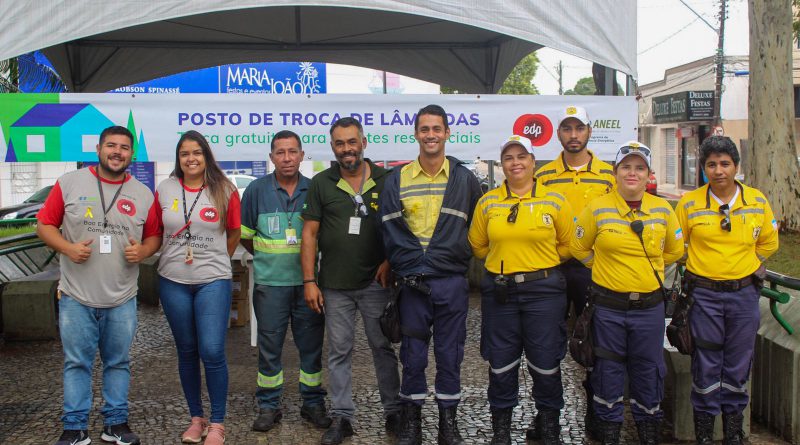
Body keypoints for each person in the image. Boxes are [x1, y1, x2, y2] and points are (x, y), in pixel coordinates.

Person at [37, 126, 162, 445]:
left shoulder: (144, 193)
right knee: (76, 362)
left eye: (124, 147)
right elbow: (44, 225)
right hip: (76, 296)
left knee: (118, 362)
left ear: (132, 154)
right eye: (111, 145)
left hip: (121, 297)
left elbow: (154, 236)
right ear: (98, 148)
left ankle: (115, 423)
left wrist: (144, 251)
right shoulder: (69, 183)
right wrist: (67, 248)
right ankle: (75, 427)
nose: (117, 152)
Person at [379, 104, 483, 445]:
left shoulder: (465, 179)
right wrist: (408, 265)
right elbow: (390, 231)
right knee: (412, 355)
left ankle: (447, 423)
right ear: (416, 134)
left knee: (450, 354)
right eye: (424, 129)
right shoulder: (398, 179)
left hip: (451, 281)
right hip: (411, 284)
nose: (430, 135)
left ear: (447, 133)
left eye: (436, 129)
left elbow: (479, 228)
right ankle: (412, 422)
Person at [569, 141, 684, 445]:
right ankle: (609, 435)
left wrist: (643, 273)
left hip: (649, 310)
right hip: (608, 309)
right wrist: (604, 267)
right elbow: (578, 246)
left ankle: (648, 433)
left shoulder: (662, 210)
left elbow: (673, 252)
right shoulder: (597, 208)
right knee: (607, 373)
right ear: (615, 172)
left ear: (648, 174)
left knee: (649, 372)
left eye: (639, 168)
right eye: (626, 167)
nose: (632, 173)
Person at [302, 117, 402, 445]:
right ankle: (342, 417)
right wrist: (309, 281)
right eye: (340, 143)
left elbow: (401, 228)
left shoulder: (388, 180)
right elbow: (310, 234)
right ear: (333, 147)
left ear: (364, 143)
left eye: (351, 142)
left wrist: (390, 261)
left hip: (377, 281)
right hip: (334, 285)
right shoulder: (321, 183)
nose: (347, 149)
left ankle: (393, 411)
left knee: (382, 348)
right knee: (339, 351)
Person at [468, 136, 573, 445]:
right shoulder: (489, 202)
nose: (515, 162)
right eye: (509, 157)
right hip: (501, 294)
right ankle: (501, 430)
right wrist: (506, 261)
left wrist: (539, 263)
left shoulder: (555, 201)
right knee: (501, 361)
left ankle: (549, 427)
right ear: (502, 164)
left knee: (545, 361)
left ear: (532, 160)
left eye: (521, 156)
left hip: (544, 293)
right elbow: (477, 245)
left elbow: (567, 245)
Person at [675, 136, 778, 445]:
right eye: (711, 164)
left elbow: (769, 242)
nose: (718, 170)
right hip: (703, 296)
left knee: (738, 362)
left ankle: (734, 433)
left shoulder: (757, 201)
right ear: (703, 169)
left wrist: (749, 264)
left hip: (744, 296)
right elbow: (676, 246)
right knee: (706, 362)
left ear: (736, 166)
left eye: (724, 163)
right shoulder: (689, 203)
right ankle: (704, 434)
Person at [533, 104, 616, 439]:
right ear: (558, 134)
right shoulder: (545, 176)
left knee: (596, 341)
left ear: (589, 132)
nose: (573, 135)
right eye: (566, 129)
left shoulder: (608, 175)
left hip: (592, 270)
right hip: (552, 268)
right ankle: (546, 416)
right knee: (546, 341)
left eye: (578, 128)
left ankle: (597, 411)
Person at [241, 131, 331, 433]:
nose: (287, 158)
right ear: (271, 157)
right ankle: (268, 405)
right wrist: (271, 260)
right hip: (270, 285)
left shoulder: (315, 188)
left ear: (302, 155)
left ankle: (313, 403)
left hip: (309, 285)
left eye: (293, 151)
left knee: (311, 347)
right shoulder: (255, 190)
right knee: (269, 347)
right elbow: (246, 236)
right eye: (280, 152)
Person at [154, 131, 241, 444]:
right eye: (184, 154)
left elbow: (233, 233)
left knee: (213, 350)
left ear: (206, 156)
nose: (190, 159)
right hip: (173, 281)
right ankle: (196, 418)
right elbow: (155, 230)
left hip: (213, 281)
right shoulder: (165, 189)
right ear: (178, 159)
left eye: (196, 153)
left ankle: (217, 422)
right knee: (187, 352)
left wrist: (215, 260)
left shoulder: (225, 189)